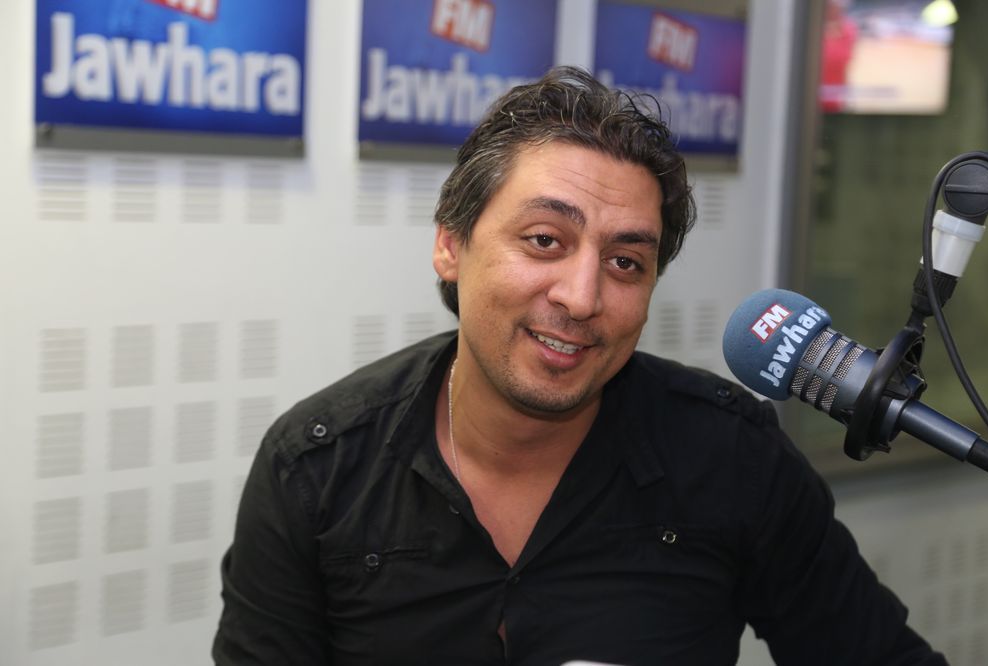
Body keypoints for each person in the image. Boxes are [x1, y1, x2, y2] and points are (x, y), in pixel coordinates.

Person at [212, 66, 946, 665]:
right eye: (544, 241)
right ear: (450, 246)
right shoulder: (315, 468)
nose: (582, 297)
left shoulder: (731, 456)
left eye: (626, 262)